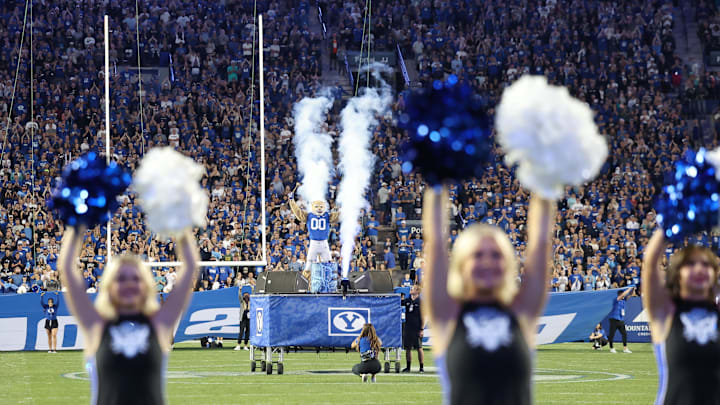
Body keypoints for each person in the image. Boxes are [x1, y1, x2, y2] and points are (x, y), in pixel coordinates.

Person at [422, 188, 554, 405]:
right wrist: (437, 185)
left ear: (509, 263)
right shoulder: (447, 312)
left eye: (496, 255)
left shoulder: (522, 311)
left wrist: (545, 183)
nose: (487, 262)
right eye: (477, 255)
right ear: (461, 263)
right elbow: (435, 240)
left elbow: (540, 241)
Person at [59, 226, 199, 405]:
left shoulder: (159, 323)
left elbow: (189, 267)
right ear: (109, 285)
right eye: (121, 279)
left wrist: (180, 224)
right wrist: (76, 224)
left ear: (146, 284)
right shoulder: (97, 324)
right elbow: (67, 268)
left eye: (136, 278)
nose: (129, 284)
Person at [642, 230, 720, 404]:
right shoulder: (665, 311)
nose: (700, 269)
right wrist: (672, 221)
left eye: (706, 265)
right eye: (690, 264)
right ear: (676, 273)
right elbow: (650, 262)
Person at [402, 285, 425, 372]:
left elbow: (423, 316)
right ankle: (408, 367)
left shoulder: (421, 302)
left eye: (412, 289)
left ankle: (421, 367)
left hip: (417, 328)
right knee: (408, 348)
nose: (411, 290)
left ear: (417, 291)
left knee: (419, 347)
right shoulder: (407, 300)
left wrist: (421, 329)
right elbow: (399, 303)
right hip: (408, 327)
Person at [608, 287, 635, 353]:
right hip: (614, 319)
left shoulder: (624, 300)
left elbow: (631, 294)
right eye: (623, 294)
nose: (624, 295)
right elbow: (623, 295)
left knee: (624, 334)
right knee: (612, 335)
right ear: (620, 294)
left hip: (621, 320)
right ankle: (611, 348)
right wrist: (628, 289)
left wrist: (633, 289)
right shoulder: (616, 300)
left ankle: (625, 348)